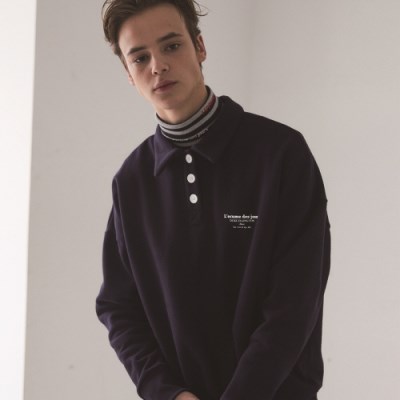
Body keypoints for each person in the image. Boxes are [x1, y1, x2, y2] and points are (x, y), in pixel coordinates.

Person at [95, 1, 331, 399]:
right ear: (128, 74)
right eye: (140, 57)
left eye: (171, 46)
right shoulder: (131, 181)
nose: (158, 66)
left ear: (200, 46)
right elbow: (119, 307)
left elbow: (296, 300)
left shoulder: (281, 154)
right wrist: (166, 393)